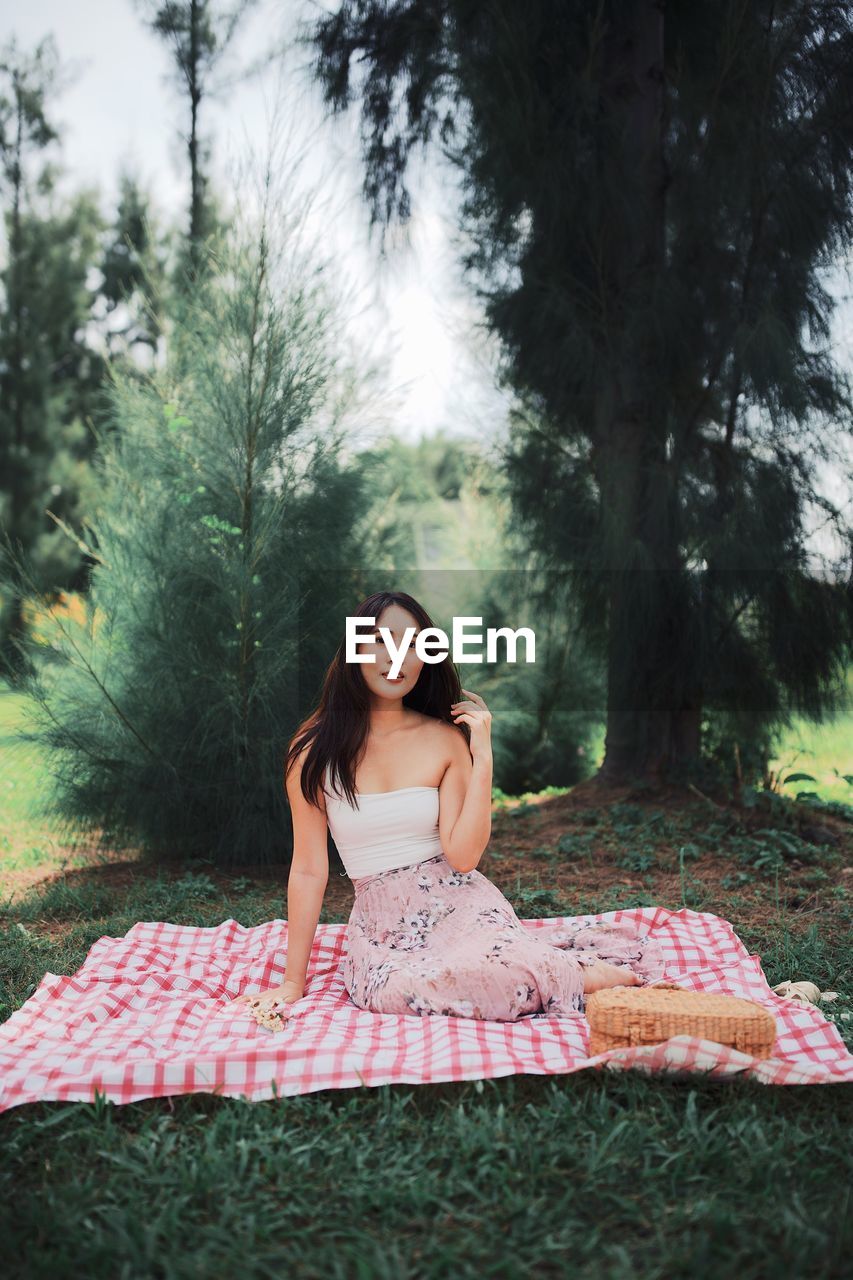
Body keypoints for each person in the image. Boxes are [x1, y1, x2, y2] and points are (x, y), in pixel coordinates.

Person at [232, 590, 665, 1024]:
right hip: (383, 926)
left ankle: (593, 975)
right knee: (396, 990)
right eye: (381, 640)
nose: (396, 656)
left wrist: (483, 758)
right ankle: (557, 971)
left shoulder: (444, 740)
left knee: (497, 973)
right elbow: (309, 870)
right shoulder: (312, 752)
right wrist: (292, 982)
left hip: (462, 905)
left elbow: (463, 856)